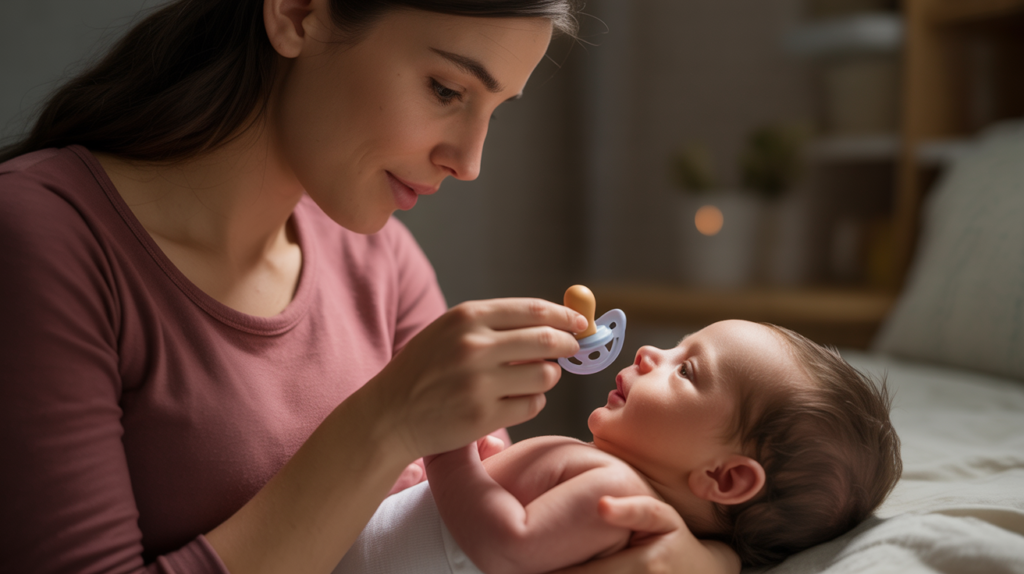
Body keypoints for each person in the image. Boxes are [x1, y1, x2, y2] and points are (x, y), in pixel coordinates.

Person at [0, 1, 712, 573]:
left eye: (495, 110)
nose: (468, 161)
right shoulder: (42, 238)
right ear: (298, 13)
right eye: (446, 89)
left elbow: (486, 524)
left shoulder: (382, 263)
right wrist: (386, 421)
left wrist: (694, 553)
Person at [334, 320, 902, 573]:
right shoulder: (606, 472)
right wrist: (480, 460)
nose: (652, 353)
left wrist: (445, 450)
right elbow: (496, 498)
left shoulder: (616, 496)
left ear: (724, 478)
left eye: (687, 370)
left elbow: (508, 543)